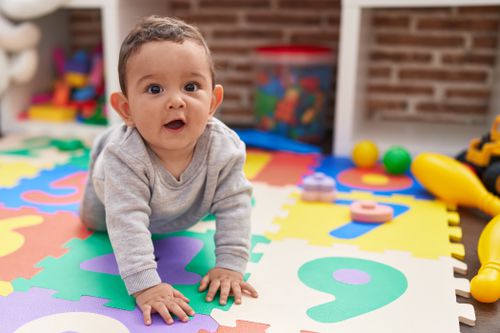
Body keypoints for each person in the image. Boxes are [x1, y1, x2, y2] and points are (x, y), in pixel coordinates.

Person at [80, 15, 257, 326]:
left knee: (211, 204)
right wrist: (147, 286)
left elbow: (235, 206)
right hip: (112, 187)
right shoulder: (122, 159)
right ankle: (104, 143)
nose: (176, 101)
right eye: (154, 89)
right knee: (97, 223)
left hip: (180, 204)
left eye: (191, 86)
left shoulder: (225, 149)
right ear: (126, 109)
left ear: (213, 101)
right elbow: (127, 223)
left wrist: (230, 265)